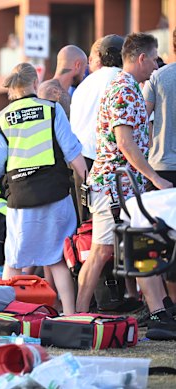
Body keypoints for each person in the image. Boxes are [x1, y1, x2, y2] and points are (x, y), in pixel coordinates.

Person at [75, 33, 176, 340]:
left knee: (129, 245)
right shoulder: (124, 88)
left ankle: (161, 310)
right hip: (114, 185)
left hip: (119, 184)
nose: (156, 64)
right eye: (154, 57)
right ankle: (77, 315)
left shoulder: (128, 86)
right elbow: (124, 142)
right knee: (107, 250)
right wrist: (155, 177)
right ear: (141, 57)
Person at [0, 62, 87, 315]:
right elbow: (73, 153)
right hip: (56, 195)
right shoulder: (51, 110)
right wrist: (88, 185)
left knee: (15, 261)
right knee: (57, 258)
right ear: (34, 83)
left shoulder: (1, 119)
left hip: (21, 200)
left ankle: (9, 315)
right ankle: (70, 316)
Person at [70, 34, 124, 222]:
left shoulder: (84, 85)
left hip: (80, 161)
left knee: (86, 227)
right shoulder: (122, 80)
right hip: (107, 162)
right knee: (112, 225)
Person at [144, 28, 176, 303]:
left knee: (161, 240)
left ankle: (166, 304)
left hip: (162, 166)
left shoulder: (158, 76)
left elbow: (142, 117)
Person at [37, 45, 88, 118]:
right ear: (77, 65)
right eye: (84, 68)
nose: (83, 74)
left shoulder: (46, 88)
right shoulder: (52, 92)